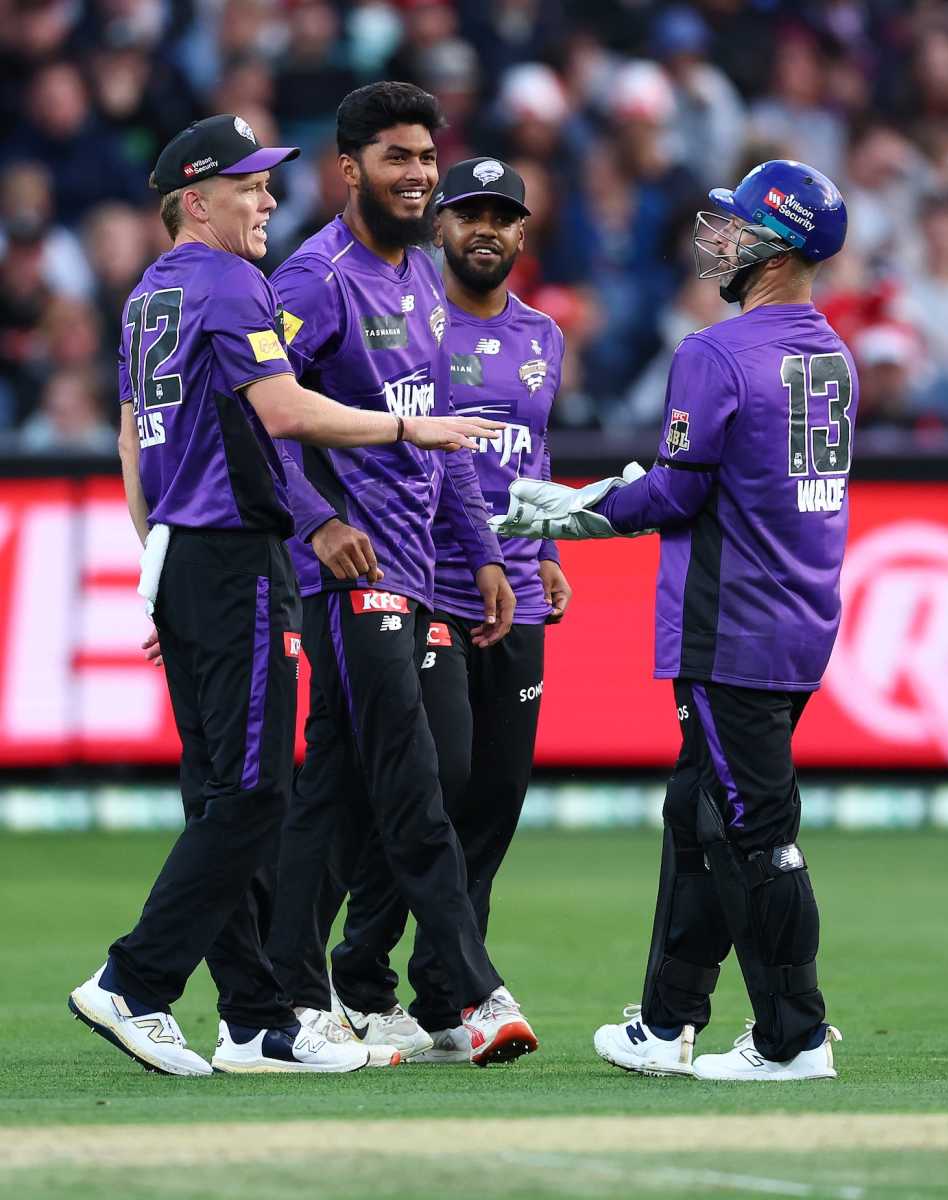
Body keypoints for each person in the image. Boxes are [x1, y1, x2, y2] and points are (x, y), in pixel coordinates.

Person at [68, 114, 502, 1078]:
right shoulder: (229, 283)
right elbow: (285, 410)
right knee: (258, 790)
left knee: (222, 788)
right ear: (195, 199)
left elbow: (135, 436)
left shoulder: (149, 295)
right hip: (234, 554)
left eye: (268, 184)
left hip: (186, 550)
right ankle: (135, 983)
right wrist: (407, 431)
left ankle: (256, 1019)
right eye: (249, 186)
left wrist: (159, 560)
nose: (268, 200)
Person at [493, 159, 856, 1082]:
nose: (721, 239)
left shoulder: (714, 353)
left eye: (740, 227)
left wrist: (576, 511)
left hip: (729, 625)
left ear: (777, 248)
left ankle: (794, 1037)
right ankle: (666, 1024)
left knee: (752, 830)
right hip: (801, 619)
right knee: (697, 811)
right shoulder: (832, 352)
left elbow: (679, 492)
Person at [264, 85, 539, 1067]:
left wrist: (486, 552)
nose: (419, 172)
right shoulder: (311, 279)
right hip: (349, 571)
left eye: (427, 155)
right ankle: (472, 990)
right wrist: (320, 520)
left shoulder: (423, 278)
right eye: (396, 157)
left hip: (422, 568)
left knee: (352, 782)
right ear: (349, 169)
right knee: (416, 775)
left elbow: (445, 439)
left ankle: (293, 994)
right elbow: (258, 419)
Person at [329, 158, 572, 1063]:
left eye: (502, 218)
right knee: (435, 782)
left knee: (495, 798)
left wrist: (543, 552)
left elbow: (532, 452)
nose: (485, 229)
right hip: (427, 581)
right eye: (469, 212)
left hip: (515, 590)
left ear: (522, 233)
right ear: (441, 226)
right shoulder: (412, 323)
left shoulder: (545, 335)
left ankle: (438, 991)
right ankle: (366, 975)